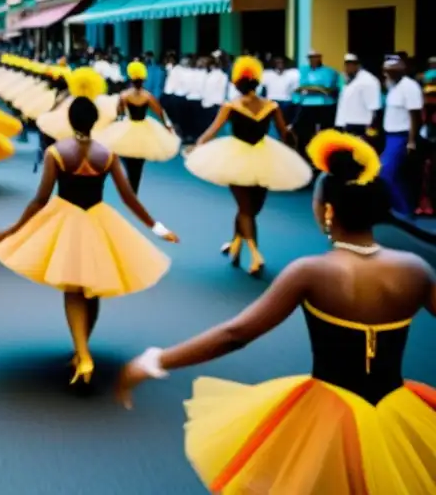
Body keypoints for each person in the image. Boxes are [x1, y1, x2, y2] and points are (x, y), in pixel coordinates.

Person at [116, 130, 436, 493]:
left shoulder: (311, 272)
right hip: (398, 411)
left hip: (328, 415)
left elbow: (235, 335)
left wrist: (156, 360)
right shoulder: (415, 269)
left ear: (328, 210)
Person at [0, 96, 177, 386]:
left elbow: (39, 200)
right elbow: (129, 198)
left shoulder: (56, 152)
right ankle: (82, 349)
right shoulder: (107, 154)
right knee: (92, 288)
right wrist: (158, 228)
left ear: (70, 120)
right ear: (95, 121)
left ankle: (84, 355)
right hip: (99, 222)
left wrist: (11, 231)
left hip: (67, 222)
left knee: (73, 289)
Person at [185, 57, 312, 276]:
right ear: (257, 82)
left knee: (247, 210)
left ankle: (237, 244)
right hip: (266, 156)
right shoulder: (271, 106)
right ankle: (254, 254)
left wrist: (197, 146)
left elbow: (212, 131)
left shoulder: (231, 106)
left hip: (236, 157)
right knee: (249, 209)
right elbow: (285, 135)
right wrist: (293, 140)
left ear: (236, 84)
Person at [95, 60, 180, 193]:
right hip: (144, 130)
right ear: (143, 80)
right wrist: (168, 126)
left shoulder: (124, 95)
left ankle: (129, 185)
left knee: (127, 158)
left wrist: (113, 125)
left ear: (131, 78)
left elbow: (118, 113)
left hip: (128, 128)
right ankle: (134, 190)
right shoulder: (148, 96)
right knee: (138, 164)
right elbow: (160, 112)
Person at [381, 55, 424, 216]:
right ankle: (400, 209)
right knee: (395, 175)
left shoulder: (410, 86)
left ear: (401, 70)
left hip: (401, 136)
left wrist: (411, 141)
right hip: (389, 136)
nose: (387, 74)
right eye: (386, 71)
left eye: (391, 71)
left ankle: (403, 211)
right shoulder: (393, 86)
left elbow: (415, 115)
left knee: (385, 172)